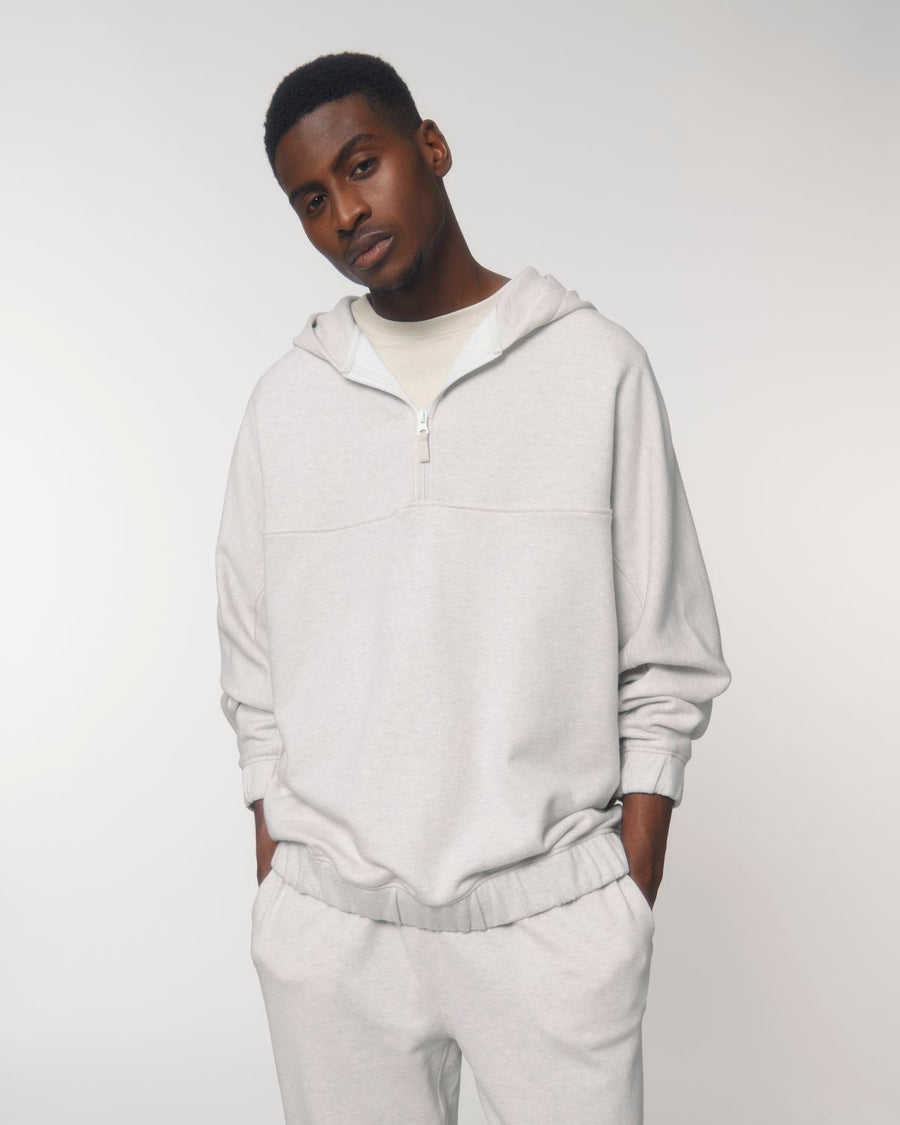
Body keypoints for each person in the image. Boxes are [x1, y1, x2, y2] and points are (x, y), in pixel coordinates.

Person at [214, 49, 731, 1125]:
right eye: (310, 200)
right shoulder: (284, 405)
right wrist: (285, 883)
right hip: (335, 939)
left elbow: (668, 654)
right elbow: (252, 662)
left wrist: (618, 897)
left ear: (432, 146)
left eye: (362, 165)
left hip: (549, 929)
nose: (345, 213)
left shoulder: (595, 369)